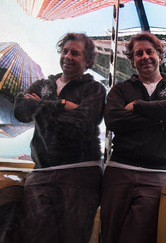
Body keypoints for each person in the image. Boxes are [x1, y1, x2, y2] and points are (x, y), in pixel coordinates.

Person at [13, 32, 106, 243]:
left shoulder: (95, 89)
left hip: (80, 176)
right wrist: (62, 106)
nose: (68, 56)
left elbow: (82, 124)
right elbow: (20, 110)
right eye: (65, 51)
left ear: (88, 60)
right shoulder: (43, 86)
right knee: (35, 237)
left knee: (72, 238)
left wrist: (39, 106)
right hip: (41, 174)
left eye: (75, 53)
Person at [101, 32, 166, 243]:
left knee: (139, 237)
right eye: (138, 53)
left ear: (159, 55)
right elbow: (113, 120)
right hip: (118, 172)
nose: (145, 57)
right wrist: (162, 117)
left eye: (149, 51)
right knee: (109, 236)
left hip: (157, 175)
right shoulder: (121, 89)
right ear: (132, 61)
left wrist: (137, 107)